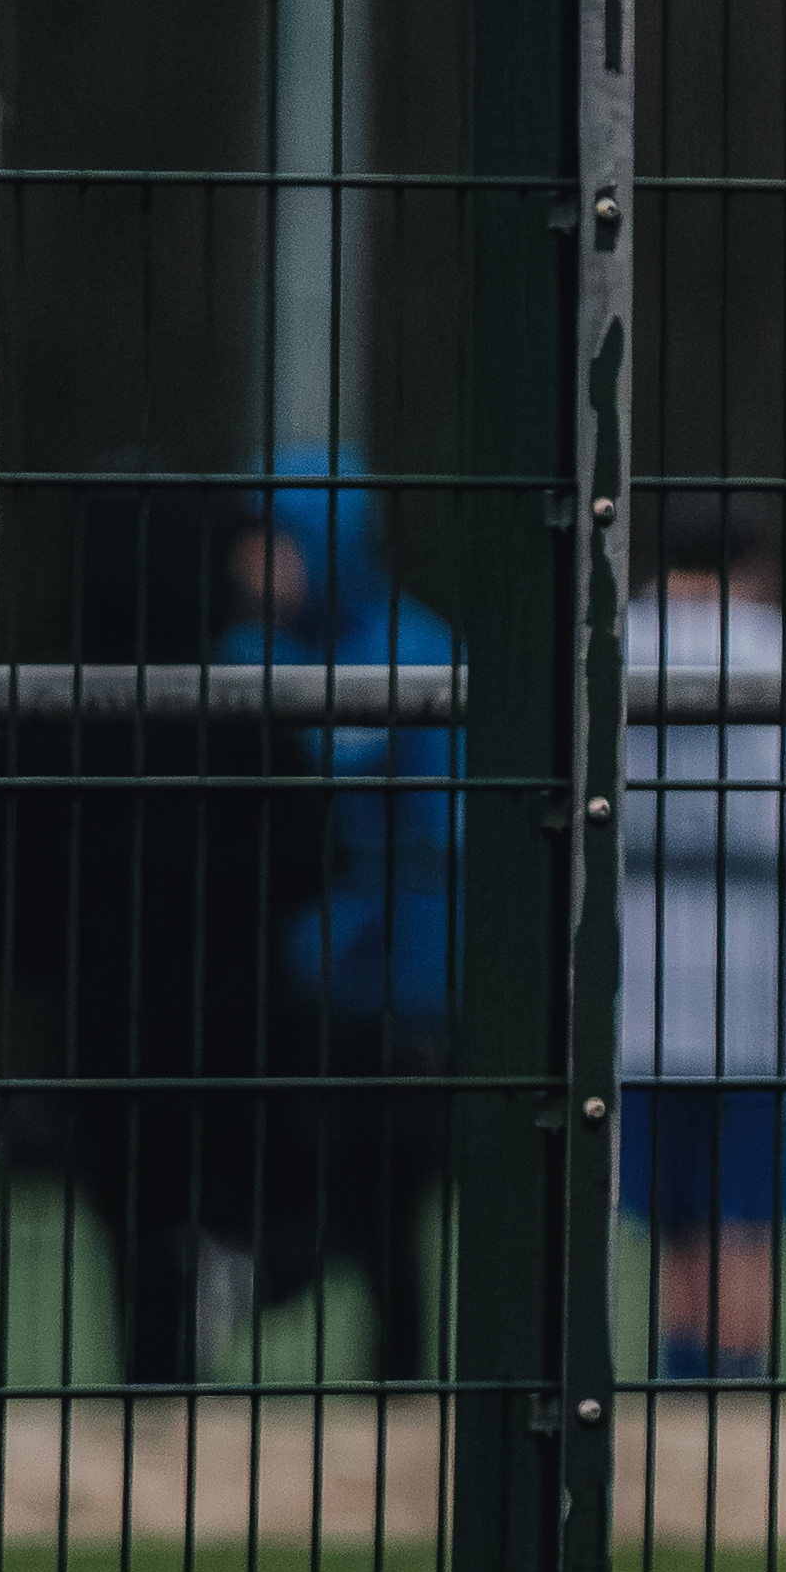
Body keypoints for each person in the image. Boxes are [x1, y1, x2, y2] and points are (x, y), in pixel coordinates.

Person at [203, 443, 456, 1379]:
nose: (248, 565)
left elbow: (396, 805)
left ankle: (393, 1397)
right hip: (303, 980)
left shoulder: (415, 647)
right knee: (336, 1185)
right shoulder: (255, 647)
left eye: (270, 542)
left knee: (388, 1203)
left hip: (405, 982)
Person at [618, 490, 786, 1379]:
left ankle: (680, 1383)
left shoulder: (613, 638)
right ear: (755, 566)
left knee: (672, 1211)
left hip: (630, 965)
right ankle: (732, 1394)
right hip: (752, 968)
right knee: (742, 1205)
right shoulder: (770, 645)